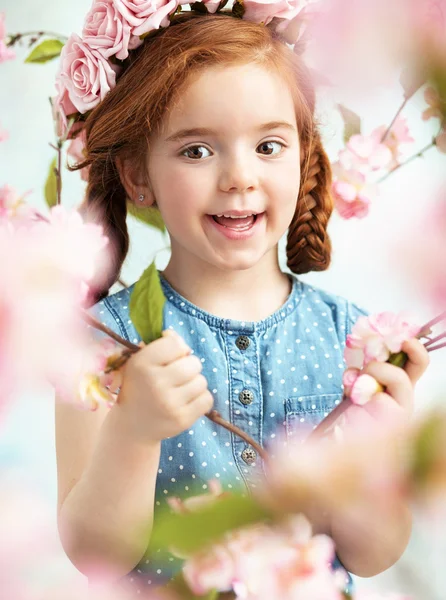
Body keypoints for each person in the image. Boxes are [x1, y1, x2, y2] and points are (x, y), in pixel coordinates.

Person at [54, 4, 430, 597]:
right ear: (136, 175)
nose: (239, 177)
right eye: (197, 151)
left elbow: (374, 553)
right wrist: (134, 432)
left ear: (303, 156)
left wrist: (380, 447)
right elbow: (95, 553)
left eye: (269, 146)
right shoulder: (100, 344)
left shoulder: (354, 340)